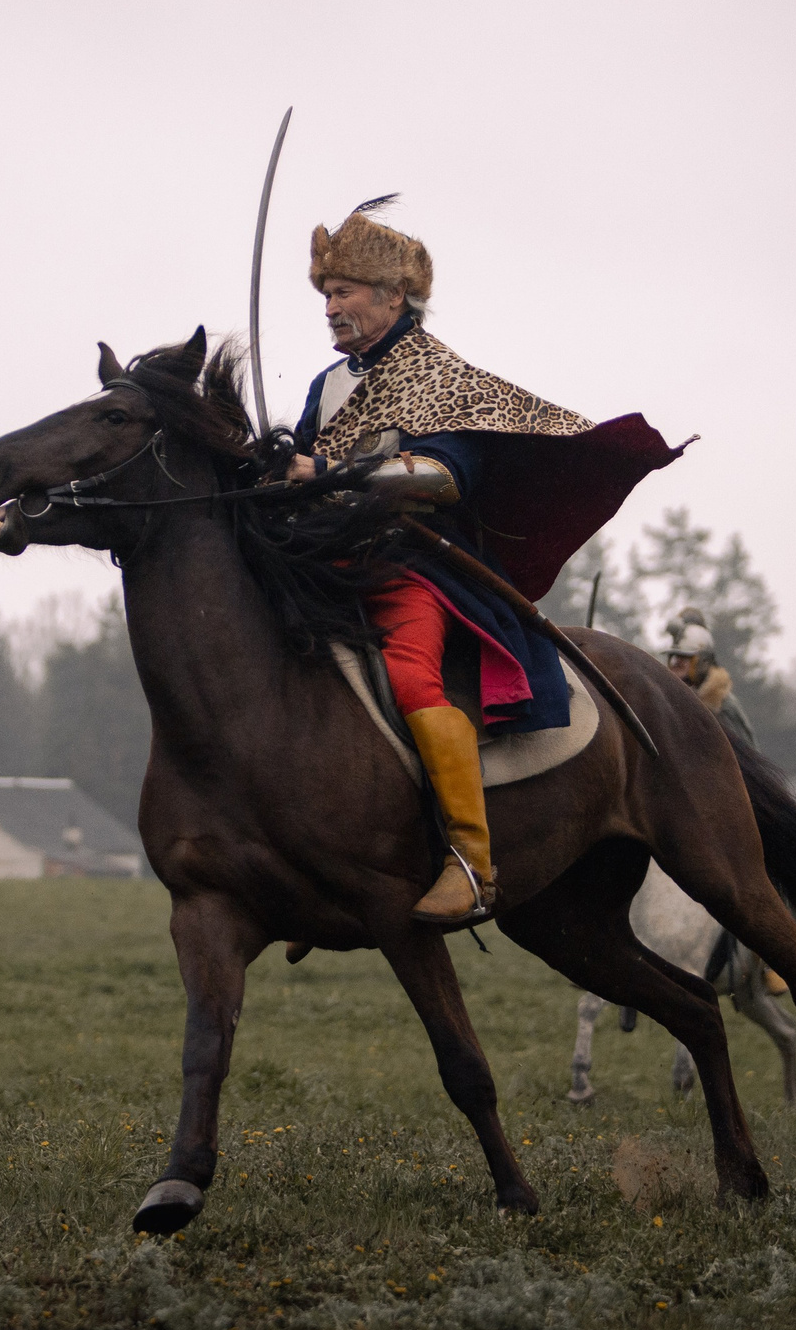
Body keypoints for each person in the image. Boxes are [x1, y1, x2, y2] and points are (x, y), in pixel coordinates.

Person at [282, 197, 679, 925]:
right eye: (326, 294)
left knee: (411, 677)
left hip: (409, 561)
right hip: (323, 560)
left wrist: (333, 473)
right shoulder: (327, 383)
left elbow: (447, 476)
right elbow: (304, 455)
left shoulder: (439, 376)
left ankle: (470, 859)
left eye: (343, 292)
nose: (330, 307)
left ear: (393, 295)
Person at [658, 612, 757, 753]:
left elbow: (746, 761)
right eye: (673, 657)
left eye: (683, 658)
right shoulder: (670, 705)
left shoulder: (724, 707)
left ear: (702, 661)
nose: (675, 664)